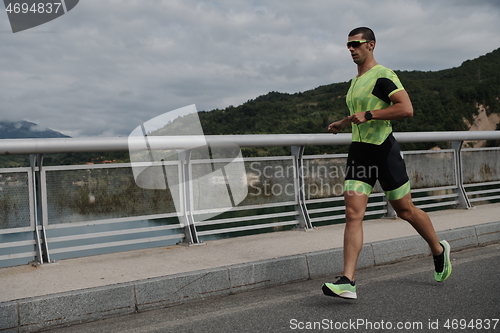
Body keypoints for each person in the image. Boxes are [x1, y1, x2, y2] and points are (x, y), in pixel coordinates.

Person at [322, 27, 452, 300]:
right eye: (348, 45)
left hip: (384, 152)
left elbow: (406, 109)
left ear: (371, 45)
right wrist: (342, 123)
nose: (350, 49)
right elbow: (359, 113)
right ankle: (348, 280)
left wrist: (369, 114)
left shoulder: (383, 75)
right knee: (352, 213)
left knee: (405, 211)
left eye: (355, 44)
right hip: (360, 153)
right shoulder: (355, 81)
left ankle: (438, 250)